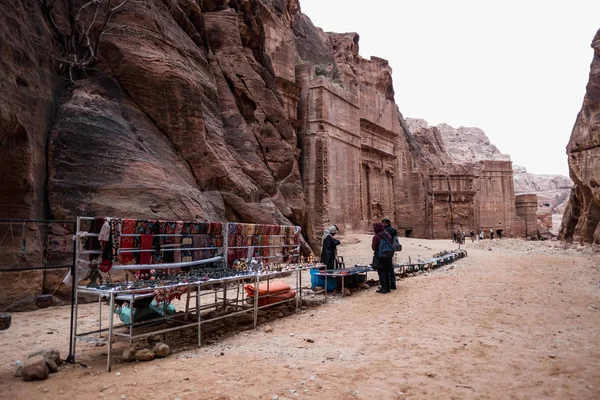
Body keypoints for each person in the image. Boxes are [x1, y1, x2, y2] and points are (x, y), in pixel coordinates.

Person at [372, 222, 394, 294]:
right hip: (389, 255)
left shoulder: (376, 236)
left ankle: (383, 288)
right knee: (387, 271)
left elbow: (374, 247)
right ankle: (388, 288)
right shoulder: (387, 234)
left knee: (381, 272)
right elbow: (391, 243)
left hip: (380, 256)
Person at [382, 218, 397, 290]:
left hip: (386, 250)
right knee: (390, 268)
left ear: (386, 223)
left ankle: (387, 286)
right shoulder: (393, 230)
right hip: (392, 250)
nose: (383, 225)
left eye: (384, 223)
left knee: (386, 269)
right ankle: (393, 285)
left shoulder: (386, 231)